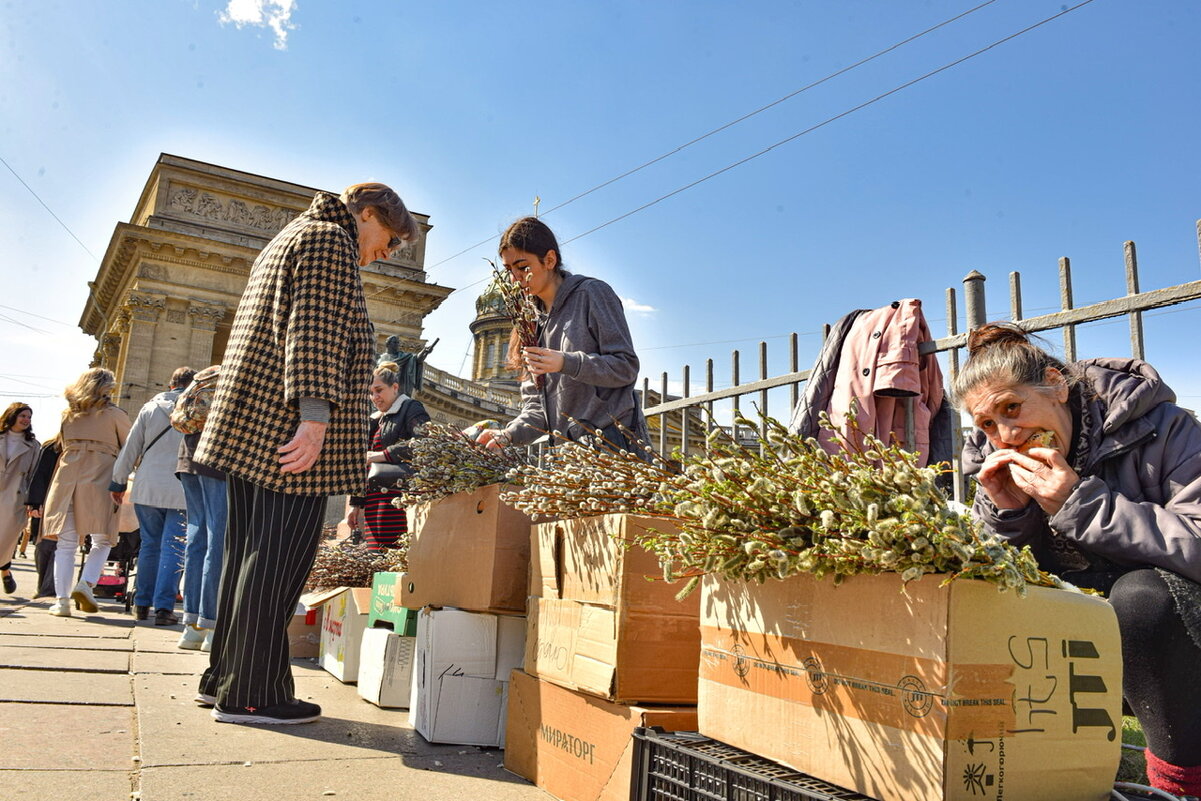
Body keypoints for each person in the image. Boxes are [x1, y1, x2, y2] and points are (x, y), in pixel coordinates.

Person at [194, 182, 419, 725]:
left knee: (249, 556)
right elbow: (313, 332)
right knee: (276, 563)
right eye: (388, 240)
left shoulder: (292, 235)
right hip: (290, 432)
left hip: (260, 427)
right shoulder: (329, 242)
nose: (386, 254)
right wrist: (315, 417)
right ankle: (251, 695)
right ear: (365, 214)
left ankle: (224, 676)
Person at [955, 322, 1201, 798]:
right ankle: (1057, 777)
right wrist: (1008, 516)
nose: (1004, 435)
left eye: (1012, 408)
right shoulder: (993, 459)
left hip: (1174, 626)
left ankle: (1180, 786)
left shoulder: (1166, 429)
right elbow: (995, 577)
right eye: (986, 423)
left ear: (1057, 385)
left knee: (1141, 598)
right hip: (1080, 624)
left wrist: (1082, 506)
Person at [477, 217, 647, 454]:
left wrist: (566, 362)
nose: (515, 279)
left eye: (523, 267)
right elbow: (538, 407)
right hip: (567, 455)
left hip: (613, 445)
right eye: (509, 270)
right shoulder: (528, 324)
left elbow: (626, 367)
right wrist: (507, 435)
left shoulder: (592, 294)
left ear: (549, 260)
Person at [41, 368, 132, 617]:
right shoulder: (115, 415)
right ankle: (87, 583)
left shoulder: (68, 415)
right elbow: (130, 449)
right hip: (100, 479)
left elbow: (60, 445)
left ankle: (61, 601)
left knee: (66, 544)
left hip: (67, 480)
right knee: (103, 539)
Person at [110, 367, 193, 625]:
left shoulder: (150, 408)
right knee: (174, 548)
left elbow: (131, 447)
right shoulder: (197, 410)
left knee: (149, 545)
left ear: (170, 386)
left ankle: (142, 604)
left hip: (148, 487)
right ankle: (165, 609)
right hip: (182, 488)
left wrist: (118, 481)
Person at [347, 362, 430, 552]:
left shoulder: (411, 408)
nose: (374, 397)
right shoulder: (376, 419)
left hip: (399, 497)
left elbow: (425, 443)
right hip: (375, 500)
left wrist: (383, 455)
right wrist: (356, 503)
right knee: (376, 554)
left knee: (394, 554)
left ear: (394, 387)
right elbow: (364, 463)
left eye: (379, 390)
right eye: (371, 393)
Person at [175, 366, 227, 651]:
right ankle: (210, 626)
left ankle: (190, 628)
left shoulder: (205, 376)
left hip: (187, 459)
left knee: (196, 541)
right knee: (216, 541)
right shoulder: (235, 375)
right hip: (216, 460)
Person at [0, 403, 39, 595]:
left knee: (6, 540)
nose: (26, 420)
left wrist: (33, 501)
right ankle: (5, 571)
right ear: (11, 416)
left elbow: (34, 476)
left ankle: (5, 569)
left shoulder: (32, 445)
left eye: (29, 417)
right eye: (23, 415)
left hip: (15, 498)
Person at [24, 433, 62, 598]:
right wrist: (34, 503)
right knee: (43, 547)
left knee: (58, 548)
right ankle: (43, 586)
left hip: (66, 505)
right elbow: (38, 476)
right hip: (45, 504)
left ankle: (48, 589)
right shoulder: (51, 448)